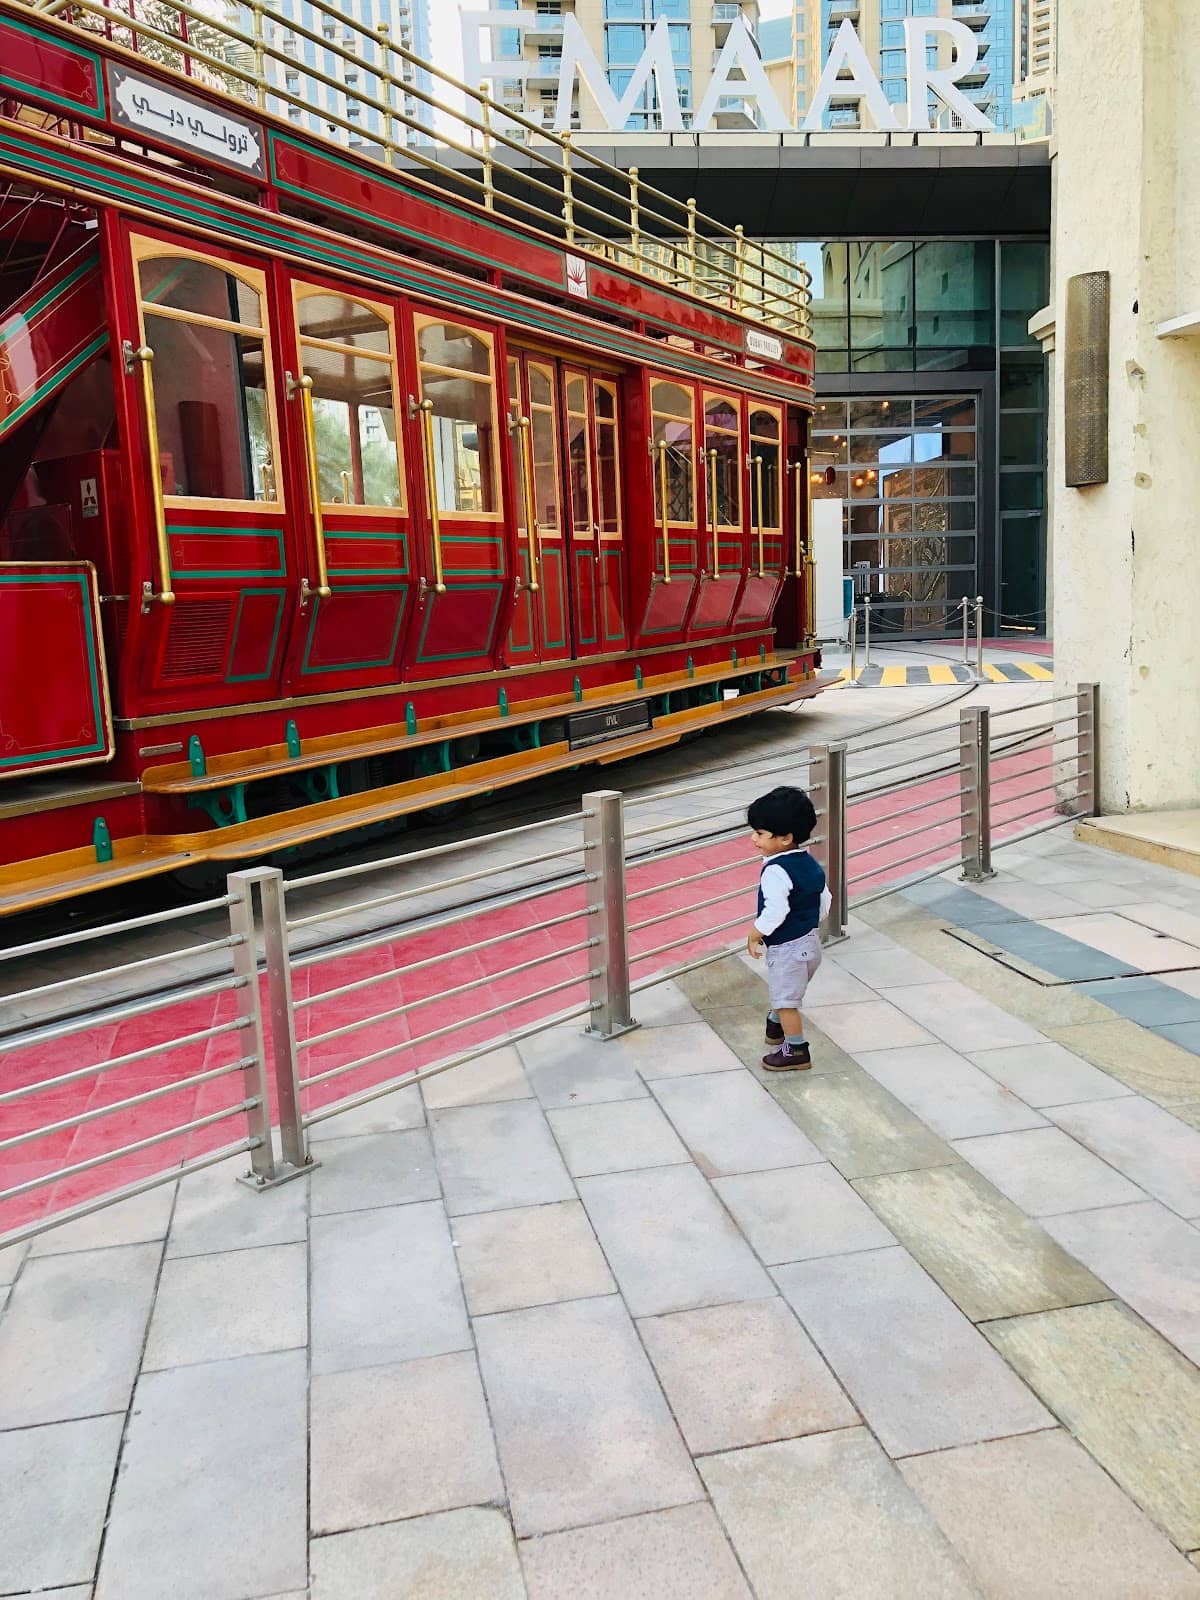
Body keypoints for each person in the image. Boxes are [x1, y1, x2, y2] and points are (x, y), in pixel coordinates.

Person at [746, 785, 831, 1071]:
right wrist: (808, 924)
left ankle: (796, 1051)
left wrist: (756, 931)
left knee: (786, 1002)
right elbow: (824, 899)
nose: (753, 838)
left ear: (785, 838)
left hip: (789, 949)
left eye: (760, 834)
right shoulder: (808, 863)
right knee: (786, 990)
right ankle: (774, 1026)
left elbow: (776, 910)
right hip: (810, 943)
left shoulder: (775, 871)